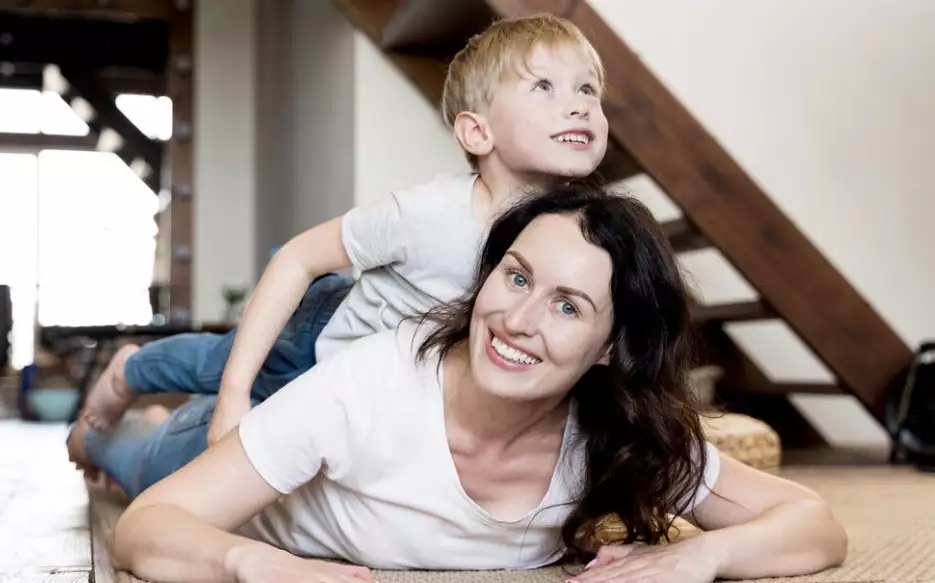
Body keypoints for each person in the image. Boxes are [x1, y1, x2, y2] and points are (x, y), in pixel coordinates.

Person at [68, 184, 847, 583]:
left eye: (567, 305)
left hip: (291, 431)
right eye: (515, 276)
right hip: (236, 451)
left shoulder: (615, 427)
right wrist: (251, 562)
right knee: (134, 459)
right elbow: (147, 527)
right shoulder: (369, 384)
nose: (516, 319)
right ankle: (107, 418)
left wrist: (700, 558)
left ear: (611, 348)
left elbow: (814, 523)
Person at [76, 12, 611, 450]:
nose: (580, 105)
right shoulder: (426, 214)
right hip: (318, 340)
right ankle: (130, 370)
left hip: (378, 387)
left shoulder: (579, 233)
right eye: (544, 86)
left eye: (589, 89)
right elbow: (296, 257)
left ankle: (166, 415)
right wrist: (234, 393)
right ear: (477, 131)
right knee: (218, 366)